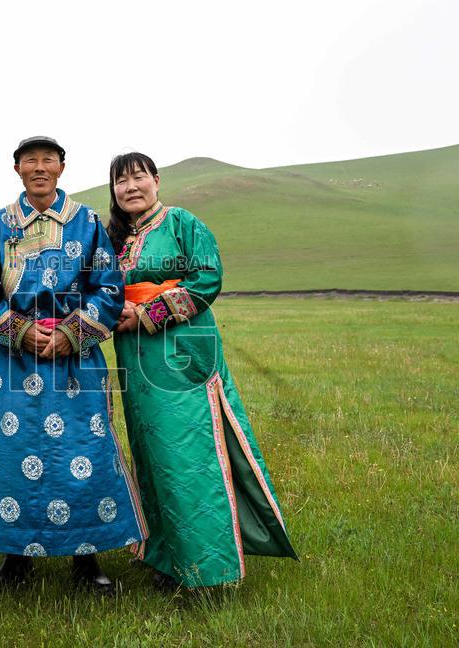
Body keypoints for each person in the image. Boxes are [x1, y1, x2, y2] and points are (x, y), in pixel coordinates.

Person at [0, 136, 147, 593]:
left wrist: (71, 333)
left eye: (48, 160)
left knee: (84, 454)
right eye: (30, 160)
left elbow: (108, 287)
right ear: (17, 169)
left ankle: (87, 556)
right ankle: (14, 556)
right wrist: (18, 330)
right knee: (11, 456)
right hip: (12, 360)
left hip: (75, 361)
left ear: (61, 168)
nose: (39, 167)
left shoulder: (87, 222)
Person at [109, 152, 297, 590]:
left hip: (182, 351)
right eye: (121, 181)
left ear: (157, 180)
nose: (130, 187)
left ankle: (208, 570)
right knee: (152, 456)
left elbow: (208, 278)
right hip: (136, 357)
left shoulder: (181, 223)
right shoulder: (116, 238)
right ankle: (164, 557)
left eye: (138, 177)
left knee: (188, 455)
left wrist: (149, 312)